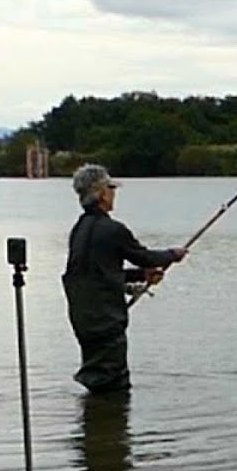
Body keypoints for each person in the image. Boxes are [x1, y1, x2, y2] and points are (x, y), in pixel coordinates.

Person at [63, 164, 187, 394]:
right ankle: (110, 413)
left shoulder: (79, 230)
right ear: (102, 194)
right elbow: (145, 257)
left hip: (82, 316)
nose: (114, 194)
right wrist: (173, 254)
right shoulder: (113, 229)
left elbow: (94, 271)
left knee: (96, 374)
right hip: (105, 318)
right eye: (111, 189)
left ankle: (98, 414)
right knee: (114, 381)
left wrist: (141, 274)